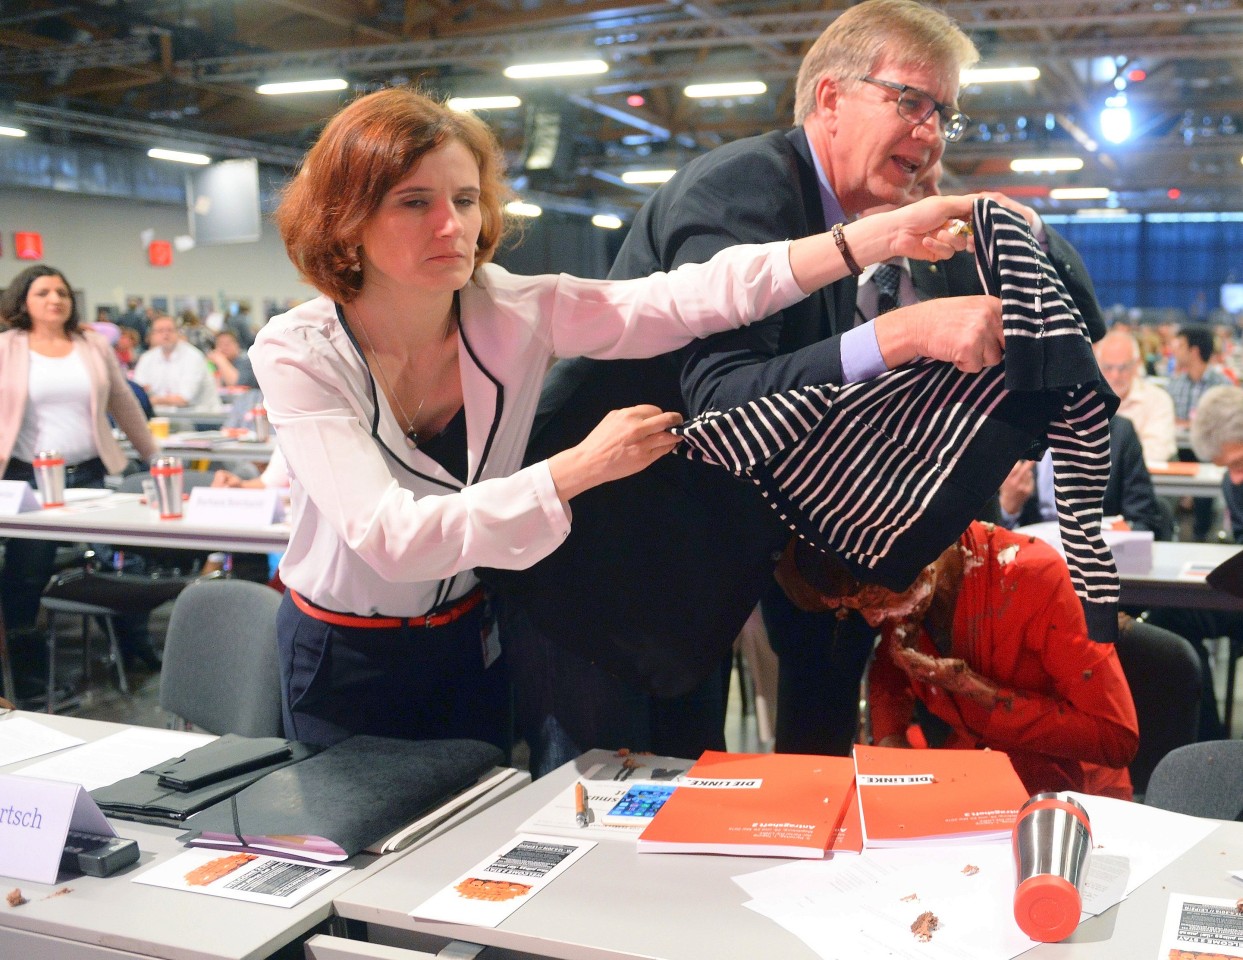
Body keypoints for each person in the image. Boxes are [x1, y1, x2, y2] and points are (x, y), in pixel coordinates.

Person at [249, 85, 982, 753]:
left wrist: (869, 240)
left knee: (457, 865)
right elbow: (392, 541)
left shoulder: (511, 309)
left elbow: (683, 299)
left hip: (468, 640)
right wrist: (576, 469)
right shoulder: (299, 352)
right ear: (345, 216)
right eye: (414, 202)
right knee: (345, 876)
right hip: (340, 653)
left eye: (466, 200)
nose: (452, 225)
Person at [495, 0, 1107, 774]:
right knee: (588, 840)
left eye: (943, 114)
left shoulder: (850, 230)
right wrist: (908, 333)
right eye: (910, 101)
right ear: (829, 98)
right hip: (599, 581)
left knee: (671, 825)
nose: (928, 132)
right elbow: (720, 409)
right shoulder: (742, 189)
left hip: (692, 590)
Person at [779, 521, 1139, 799]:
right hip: (976, 781)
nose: (874, 620)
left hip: (1074, 795)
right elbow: (890, 670)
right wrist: (891, 741)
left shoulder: (1032, 575)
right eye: (858, 609)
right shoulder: (904, 587)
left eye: (875, 599)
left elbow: (1116, 740)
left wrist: (977, 691)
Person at [0, 265, 161, 695]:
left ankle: (133, 646)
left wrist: (155, 459)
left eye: (62, 292)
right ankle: (31, 678)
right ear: (24, 301)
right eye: (43, 292)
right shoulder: (8, 347)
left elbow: (124, 403)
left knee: (120, 564)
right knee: (25, 576)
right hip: (27, 477)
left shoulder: (90, 344)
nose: (55, 299)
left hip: (89, 471)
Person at [1145, 383, 1243, 739]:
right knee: (1169, 618)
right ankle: (1207, 740)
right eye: (1226, 467)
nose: (1235, 477)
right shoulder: (1233, 484)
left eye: (1239, 462)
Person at [992, 415, 1172, 540]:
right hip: (1033, 557)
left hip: (1098, 557)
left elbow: (1144, 521)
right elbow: (988, 532)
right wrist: (1009, 507)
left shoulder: (1119, 434)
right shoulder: (1016, 431)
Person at [1094, 328, 1177, 463]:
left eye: (1123, 368)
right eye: (1108, 367)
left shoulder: (1158, 400)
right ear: (1097, 366)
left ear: (1136, 365)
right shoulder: (1086, 401)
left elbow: (1157, 453)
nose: (1115, 375)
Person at [132, 314, 220, 409]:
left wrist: (152, 400)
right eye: (160, 331)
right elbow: (138, 393)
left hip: (201, 417)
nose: (166, 334)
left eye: (170, 330)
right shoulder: (147, 358)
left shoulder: (193, 357)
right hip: (161, 415)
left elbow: (183, 399)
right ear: (152, 335)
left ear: (178, 333)